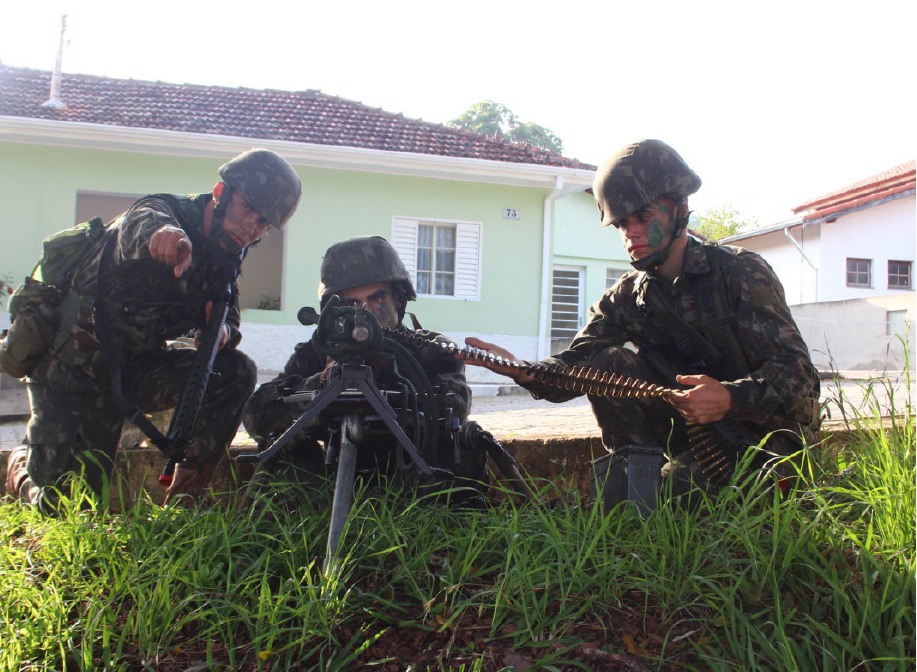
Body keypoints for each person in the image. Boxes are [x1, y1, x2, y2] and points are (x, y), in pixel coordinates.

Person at [465, 139, 820, 508]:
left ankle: (652, 496)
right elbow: (580, 364)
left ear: (680, 210)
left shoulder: (739, 271)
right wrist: (527, 371)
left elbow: (797, 372)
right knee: (609, 364)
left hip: (765, 440)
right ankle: (634, 480)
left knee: (678, 497)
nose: (631, 233)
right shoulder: (628, 297)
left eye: (644, 218)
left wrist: (730, 397)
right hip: (694, 438)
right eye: (622, 224)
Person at [5, 148, 303, 512]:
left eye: (261, 224)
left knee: (235, 370)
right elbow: (139, 222)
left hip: (136, 372)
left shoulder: (225, 256)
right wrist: (163, 235)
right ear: (221, 194)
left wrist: (221, 330)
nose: (249, 227)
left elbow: (230, 317)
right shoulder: (163, 214)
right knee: (66, 510)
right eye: (246, 209)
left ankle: (183, 503)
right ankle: (20, 467)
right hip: (70, 373)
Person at [242, 235, 491, 503]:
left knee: (466, 439)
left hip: (415, 478)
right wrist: (321, 383)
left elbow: (455, 405)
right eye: (352, 304)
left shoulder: (433, 349)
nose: (366, 312)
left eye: (377, 298)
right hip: (330, 484)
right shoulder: (318, 352)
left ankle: (446, 537)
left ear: (398, 298)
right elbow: (258, 416)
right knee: (280, 443)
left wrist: (384, 373)